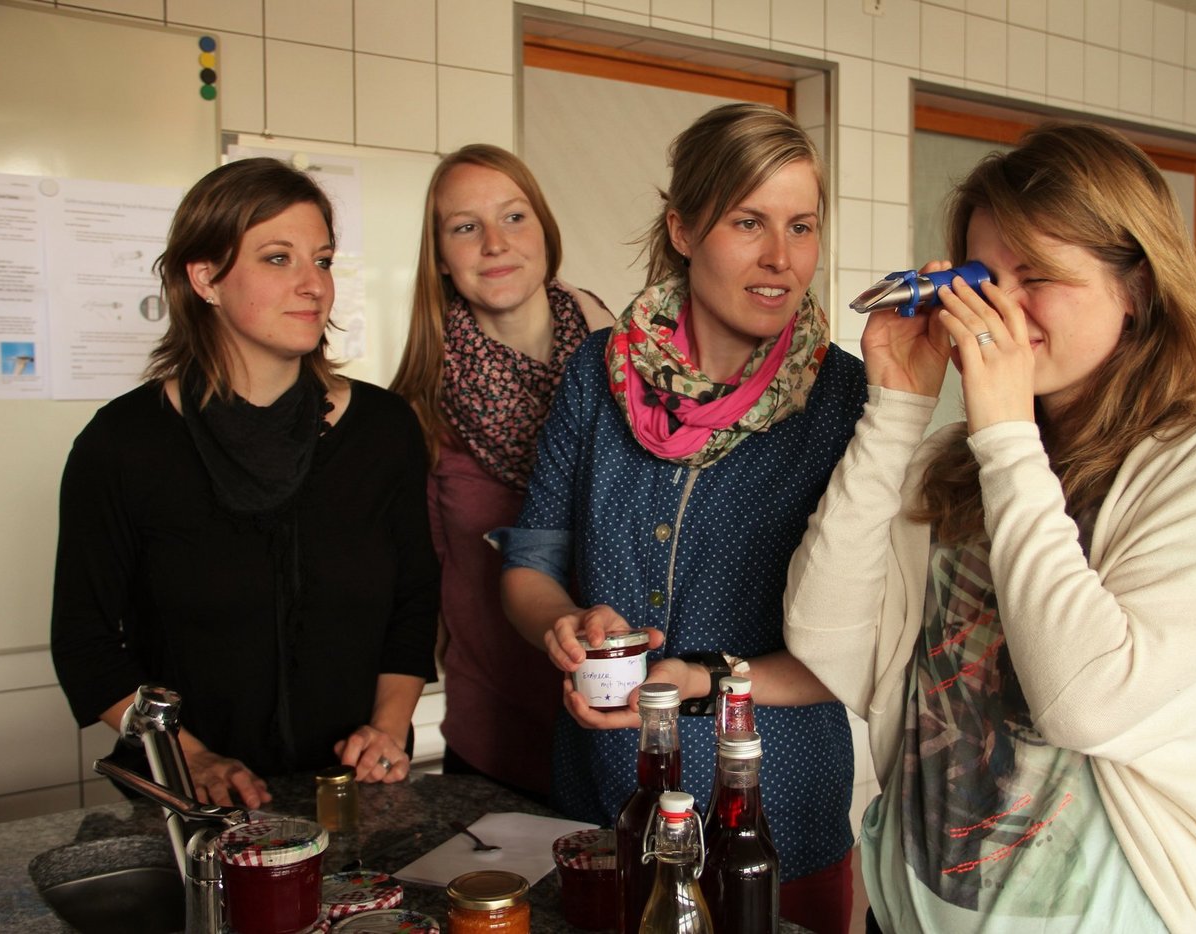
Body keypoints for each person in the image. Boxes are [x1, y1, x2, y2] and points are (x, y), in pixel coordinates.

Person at [782, 123, 1196, 933]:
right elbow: (825, 640)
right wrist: (898, 409)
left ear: (1138, 290)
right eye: (984, 277)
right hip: (905, 909)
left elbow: (1084, 701)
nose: (1001, 309)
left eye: (1040, 276)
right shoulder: (961, 465)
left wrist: (1004, 430)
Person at [498, 101, 867, 933]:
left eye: (802, 226)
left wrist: (708, 683)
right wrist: (560, 623)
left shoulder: (846, 401)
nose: (782, 258)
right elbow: (529, 560)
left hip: (778, 814)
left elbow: (866, 643)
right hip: (608, 803)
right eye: (749, 221)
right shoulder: (598, 372)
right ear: (684, 228)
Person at [51, 158, 439, 809]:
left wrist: (388, 726)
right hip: (192, 806)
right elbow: (86, 645)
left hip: (352, 795)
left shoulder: (383, 431)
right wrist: (188, 755)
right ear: (204, 278)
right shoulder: (122, 444)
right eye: (278, 259)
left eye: (322, 259)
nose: (313, 284)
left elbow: (414, 598)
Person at [390, 144, 613, 802]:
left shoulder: (629, 371)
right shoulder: (420, 409)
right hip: (496, 740)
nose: (495, 243)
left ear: (545, 231)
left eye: (514, 217)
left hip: (619, 726)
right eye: (465, 227)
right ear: (440, 257)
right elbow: (411, 591)